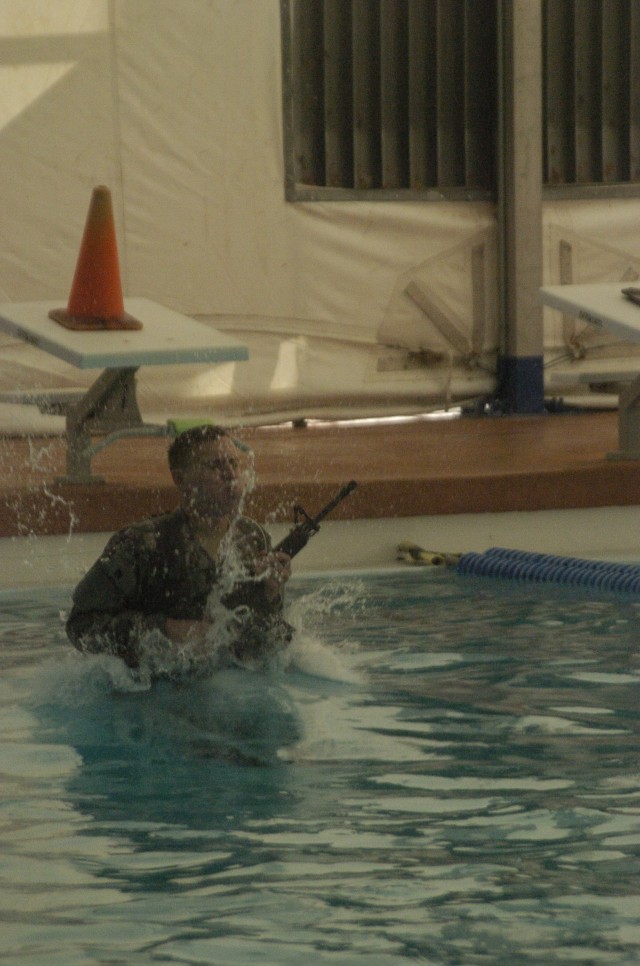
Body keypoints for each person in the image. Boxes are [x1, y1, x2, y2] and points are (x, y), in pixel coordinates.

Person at [66, 425, 293, 676]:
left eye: (233, 463)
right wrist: (164, 630)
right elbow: (81, 627)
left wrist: (270, 598)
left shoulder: (253, 538)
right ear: (180, 478)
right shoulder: (142, 544)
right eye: (214, 466)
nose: (229, 474)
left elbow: (264, 646)